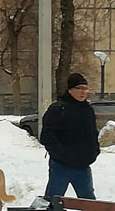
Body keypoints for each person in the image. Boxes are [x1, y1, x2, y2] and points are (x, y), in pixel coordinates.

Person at [40, 72, 100, 200]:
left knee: (89, 202)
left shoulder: (87, 110)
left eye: (85, 88)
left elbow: (93, 134)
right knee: (53, 201)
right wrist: (60, 154)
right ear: (70, 90)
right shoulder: (58, 109)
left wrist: (94, 152)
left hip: (83, 165)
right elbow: (47, 135)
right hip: (61, 165)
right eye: (79, 88)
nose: (83, 92)